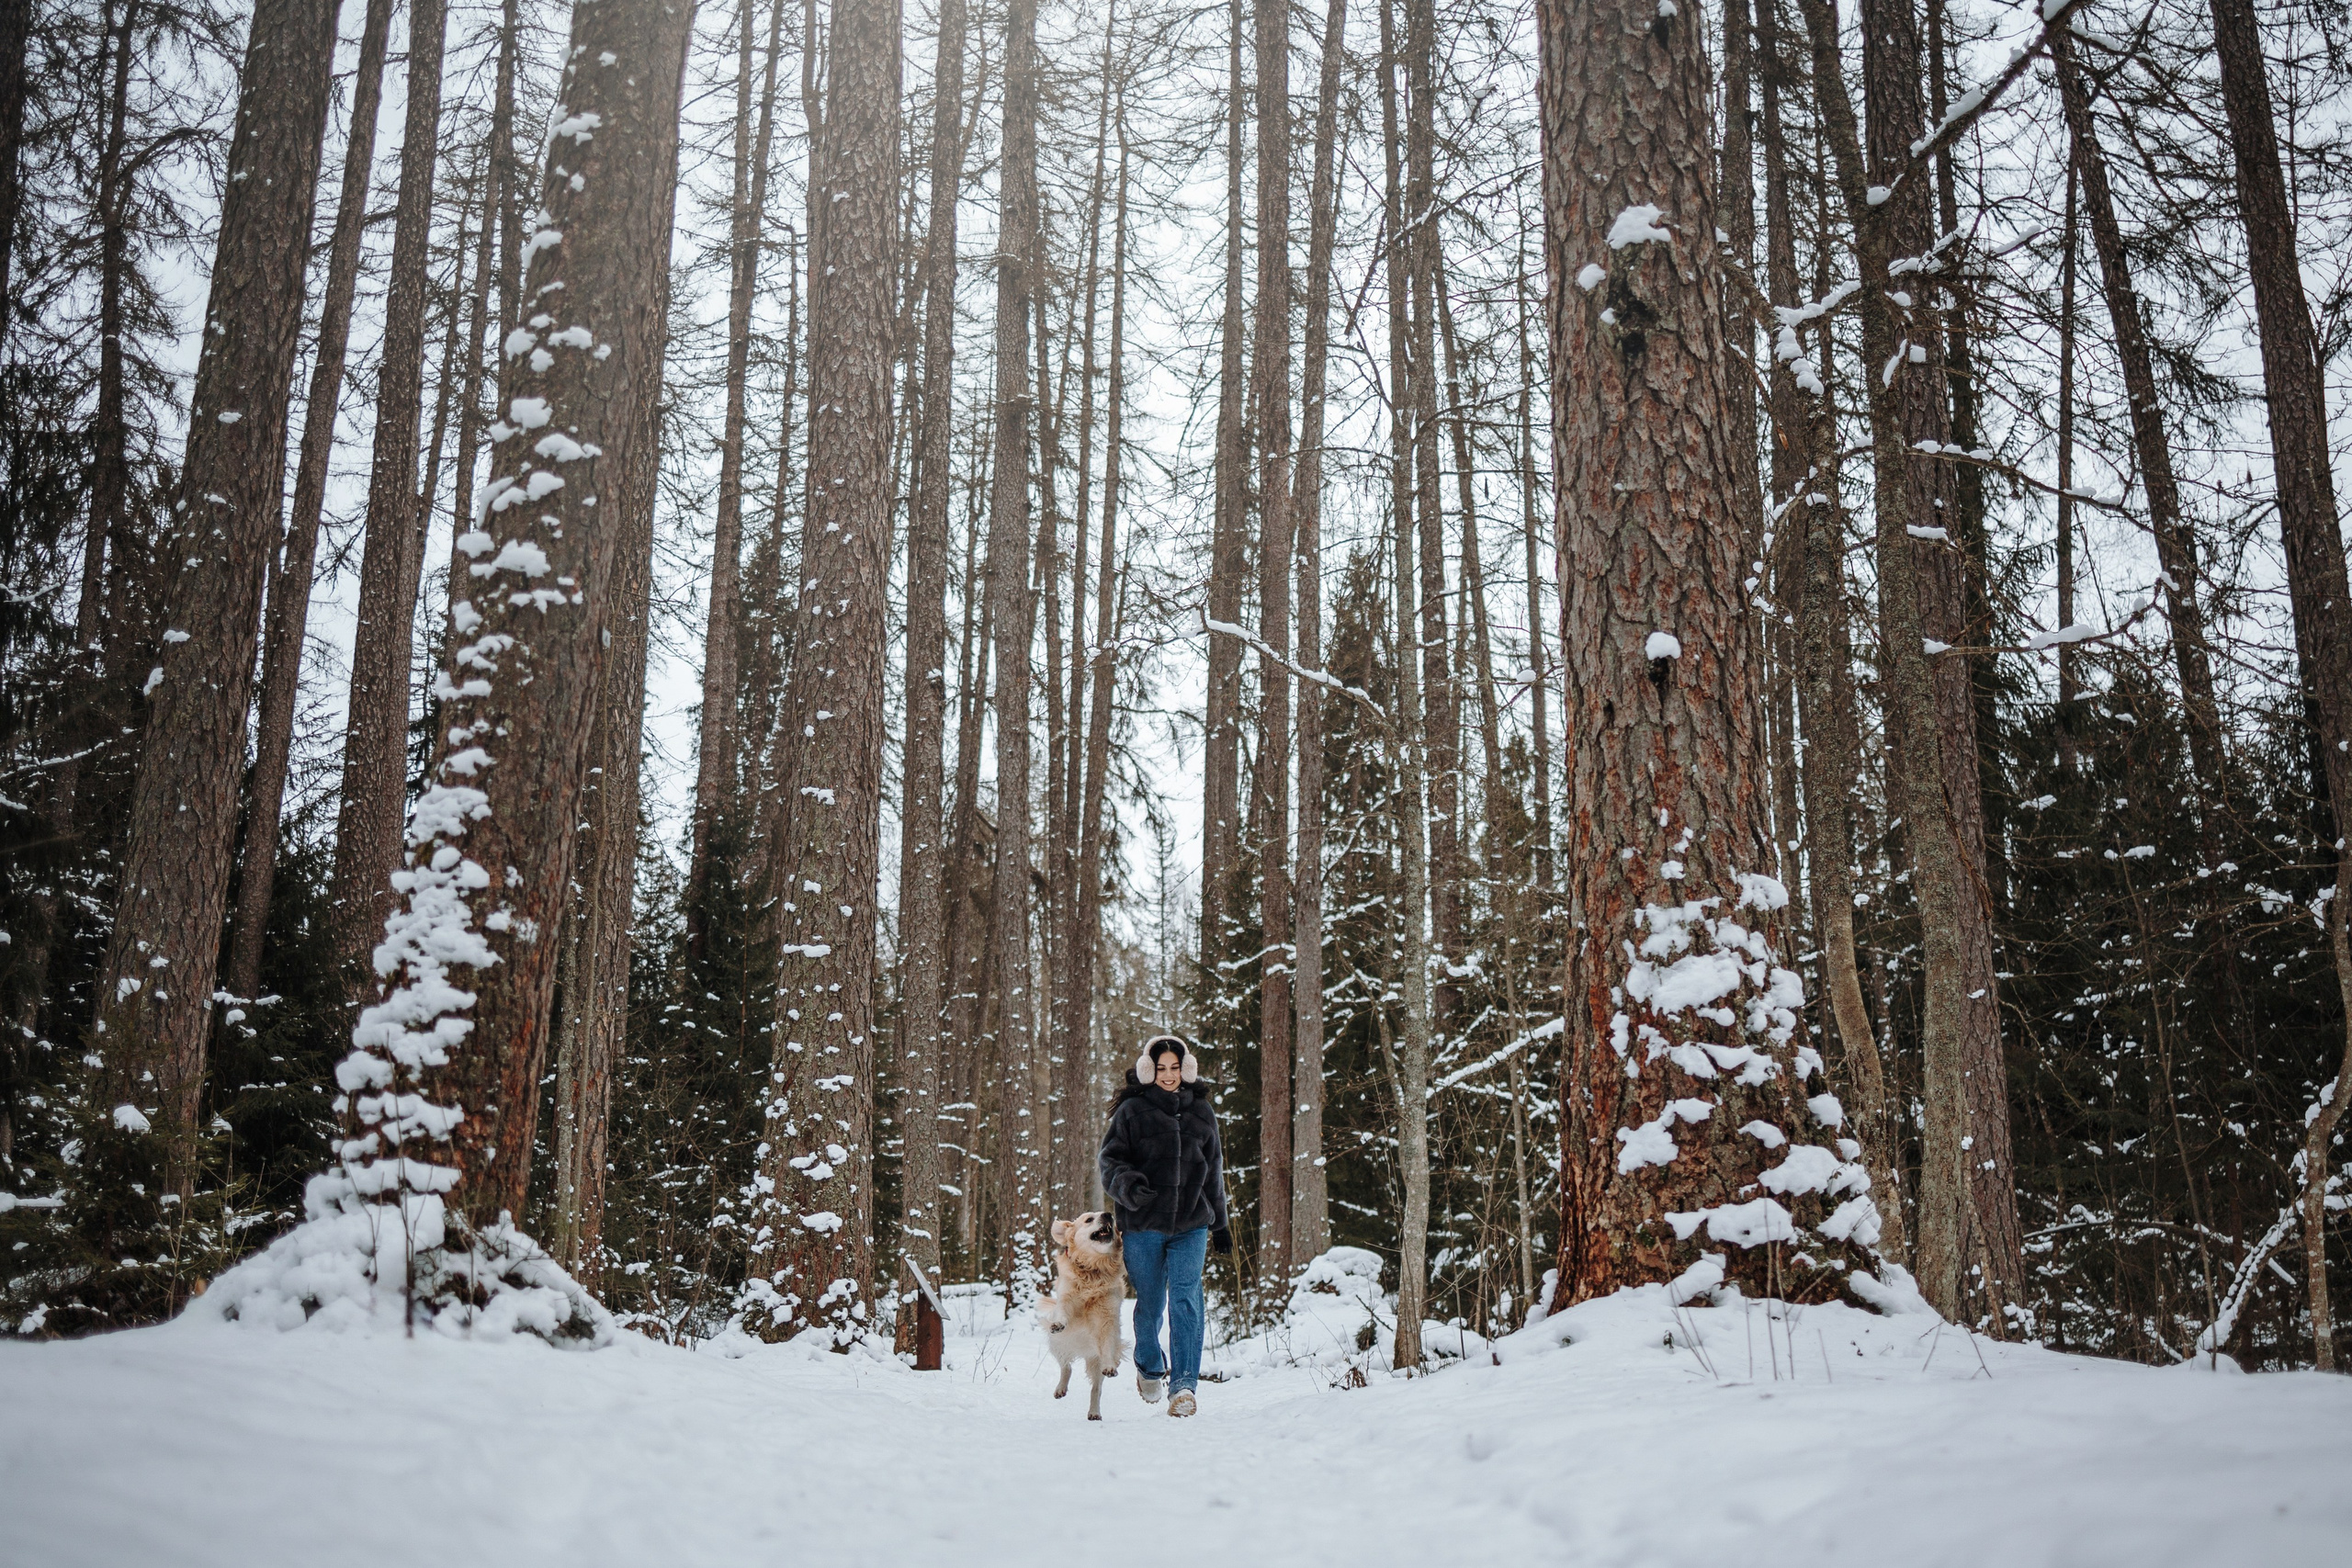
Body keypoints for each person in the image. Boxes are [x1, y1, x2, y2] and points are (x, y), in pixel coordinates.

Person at [1098, 1033, 1231, 1417]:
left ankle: (1184, 1387)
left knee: (1186, 1298)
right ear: (1148, 1070)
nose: (1168, 1075)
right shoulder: (1132, 1112)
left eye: (1175, 1067)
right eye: (1161, 1068)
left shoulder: (1202, 1112)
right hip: (1143, 1224)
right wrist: (1129, 1186)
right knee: (1151, 1303)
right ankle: (1149, 1365)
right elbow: (1110, 1161)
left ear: (1185, 1069)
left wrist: (1220, 1224)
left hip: (1192, 1222)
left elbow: (1214, 1171)